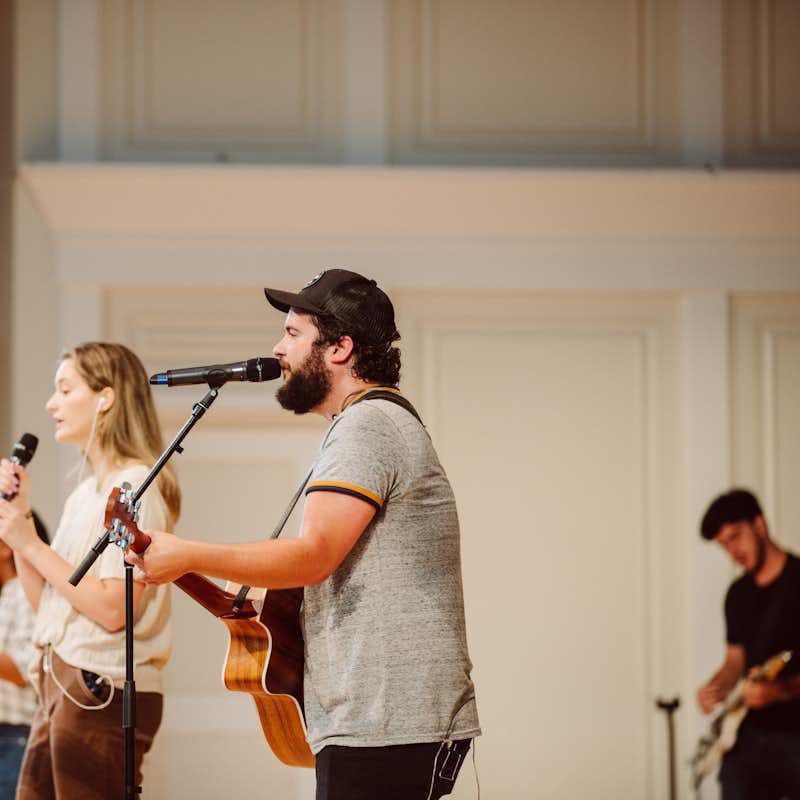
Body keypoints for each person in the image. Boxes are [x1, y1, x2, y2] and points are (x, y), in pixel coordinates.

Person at [126, 269, 481, 800]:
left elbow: (314, 557)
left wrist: (187, 554)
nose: (277, 347)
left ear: (339, 348)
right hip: (379, 717)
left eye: (293, 334)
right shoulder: (366, 424)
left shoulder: (368, 426)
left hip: (388, 718)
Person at [0, 342, 181, 800]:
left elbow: (111, 608)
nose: (51, 404)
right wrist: (20, 523)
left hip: (100, 687)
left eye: (64, 389)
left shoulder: (135, 485)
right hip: (62, 680)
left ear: (105, 397)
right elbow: (50, 607)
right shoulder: (84, 495)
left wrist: (32, 544)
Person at [696, 488, 800, 799]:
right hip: (748, 739)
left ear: (760, 525)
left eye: (736, 536)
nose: (732, 550)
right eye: (724, 545)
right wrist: (716, 686)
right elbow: (734, 660)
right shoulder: (737, 595)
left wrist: (779, 692)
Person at [0, 512, 48, 800]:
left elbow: (23, 669)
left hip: (15, 739)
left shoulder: (26, 594)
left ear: (6, 547)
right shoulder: (6, 595)